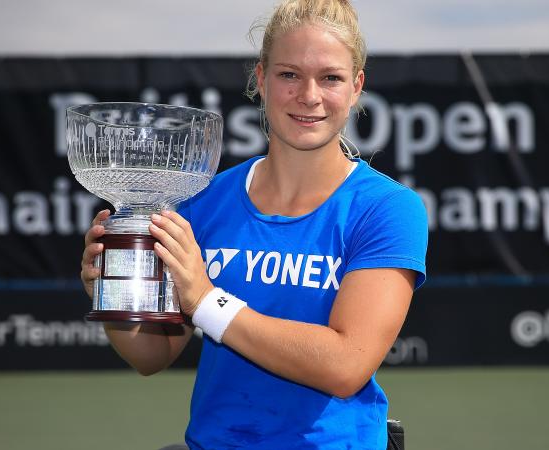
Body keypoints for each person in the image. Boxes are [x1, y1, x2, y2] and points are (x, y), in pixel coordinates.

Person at [80, 0, 427, 448]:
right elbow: (152, 354)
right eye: (289, 75)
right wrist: (116, 291)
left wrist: (207, 300)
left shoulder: (387, 208)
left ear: (357, 86)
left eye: (331, 78)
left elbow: (346, 365)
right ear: (261, 79)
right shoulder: (203, 200)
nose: (309, 95)